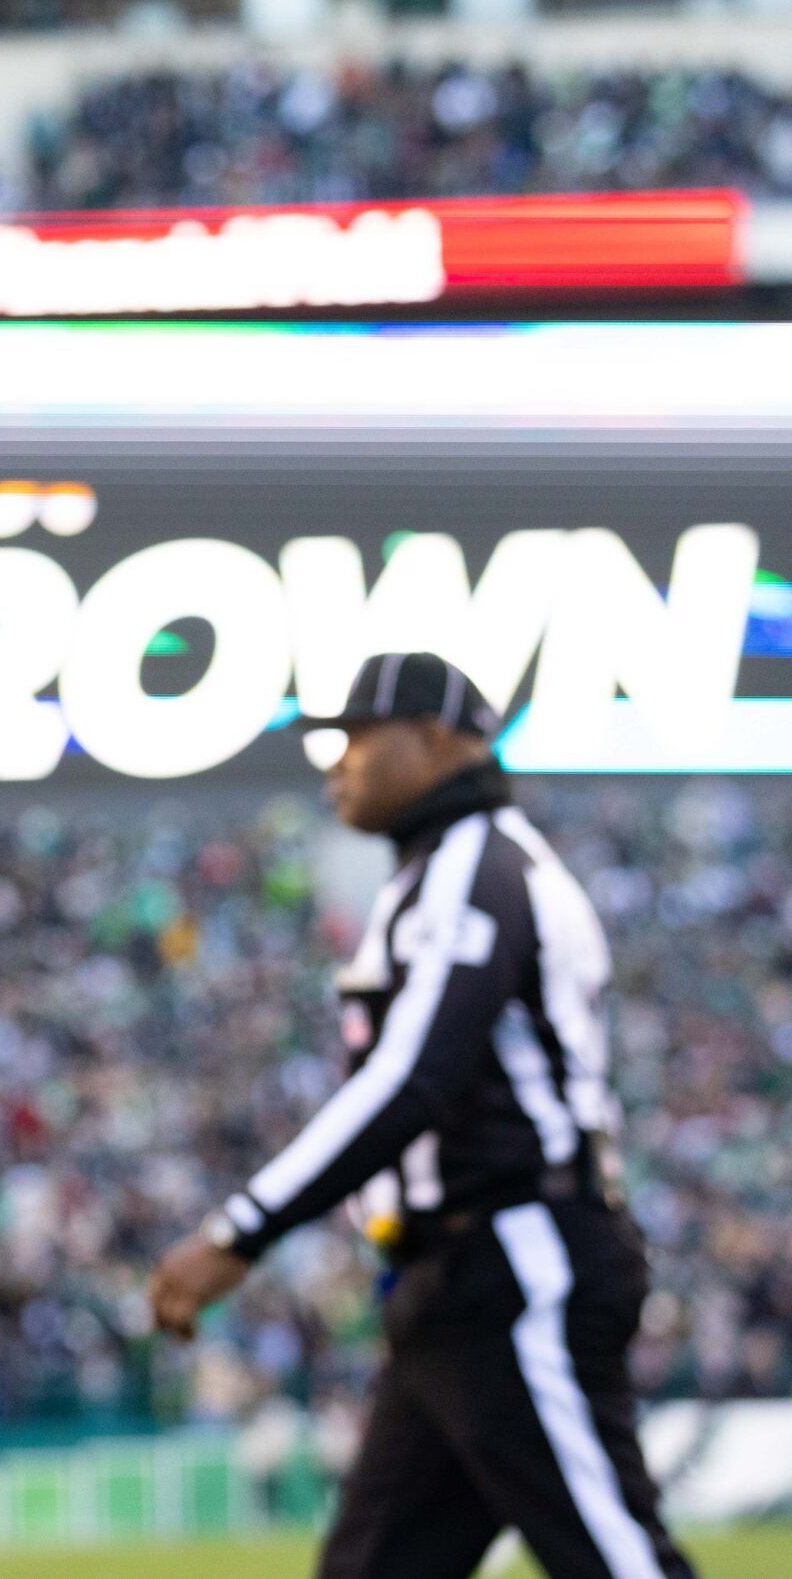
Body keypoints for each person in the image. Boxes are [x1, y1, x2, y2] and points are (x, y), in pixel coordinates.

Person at [147, 651, 696, 1579]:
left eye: (359, 739)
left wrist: (241, 1229)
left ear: (439, 739)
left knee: (616, 1561)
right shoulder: (433, 873)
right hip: (451, 1283)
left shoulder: (480, 867)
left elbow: (414, 1077)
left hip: (517, 1262)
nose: (337, 764)